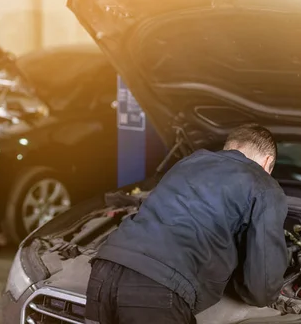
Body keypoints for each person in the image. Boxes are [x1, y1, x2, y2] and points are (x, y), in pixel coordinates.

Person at [85, 123, 288, 324]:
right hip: (157, 286)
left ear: (230, 148)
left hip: (105, 269)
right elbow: (261, 287)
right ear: (267, 162)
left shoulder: (190, 162)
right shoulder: (264, 184)